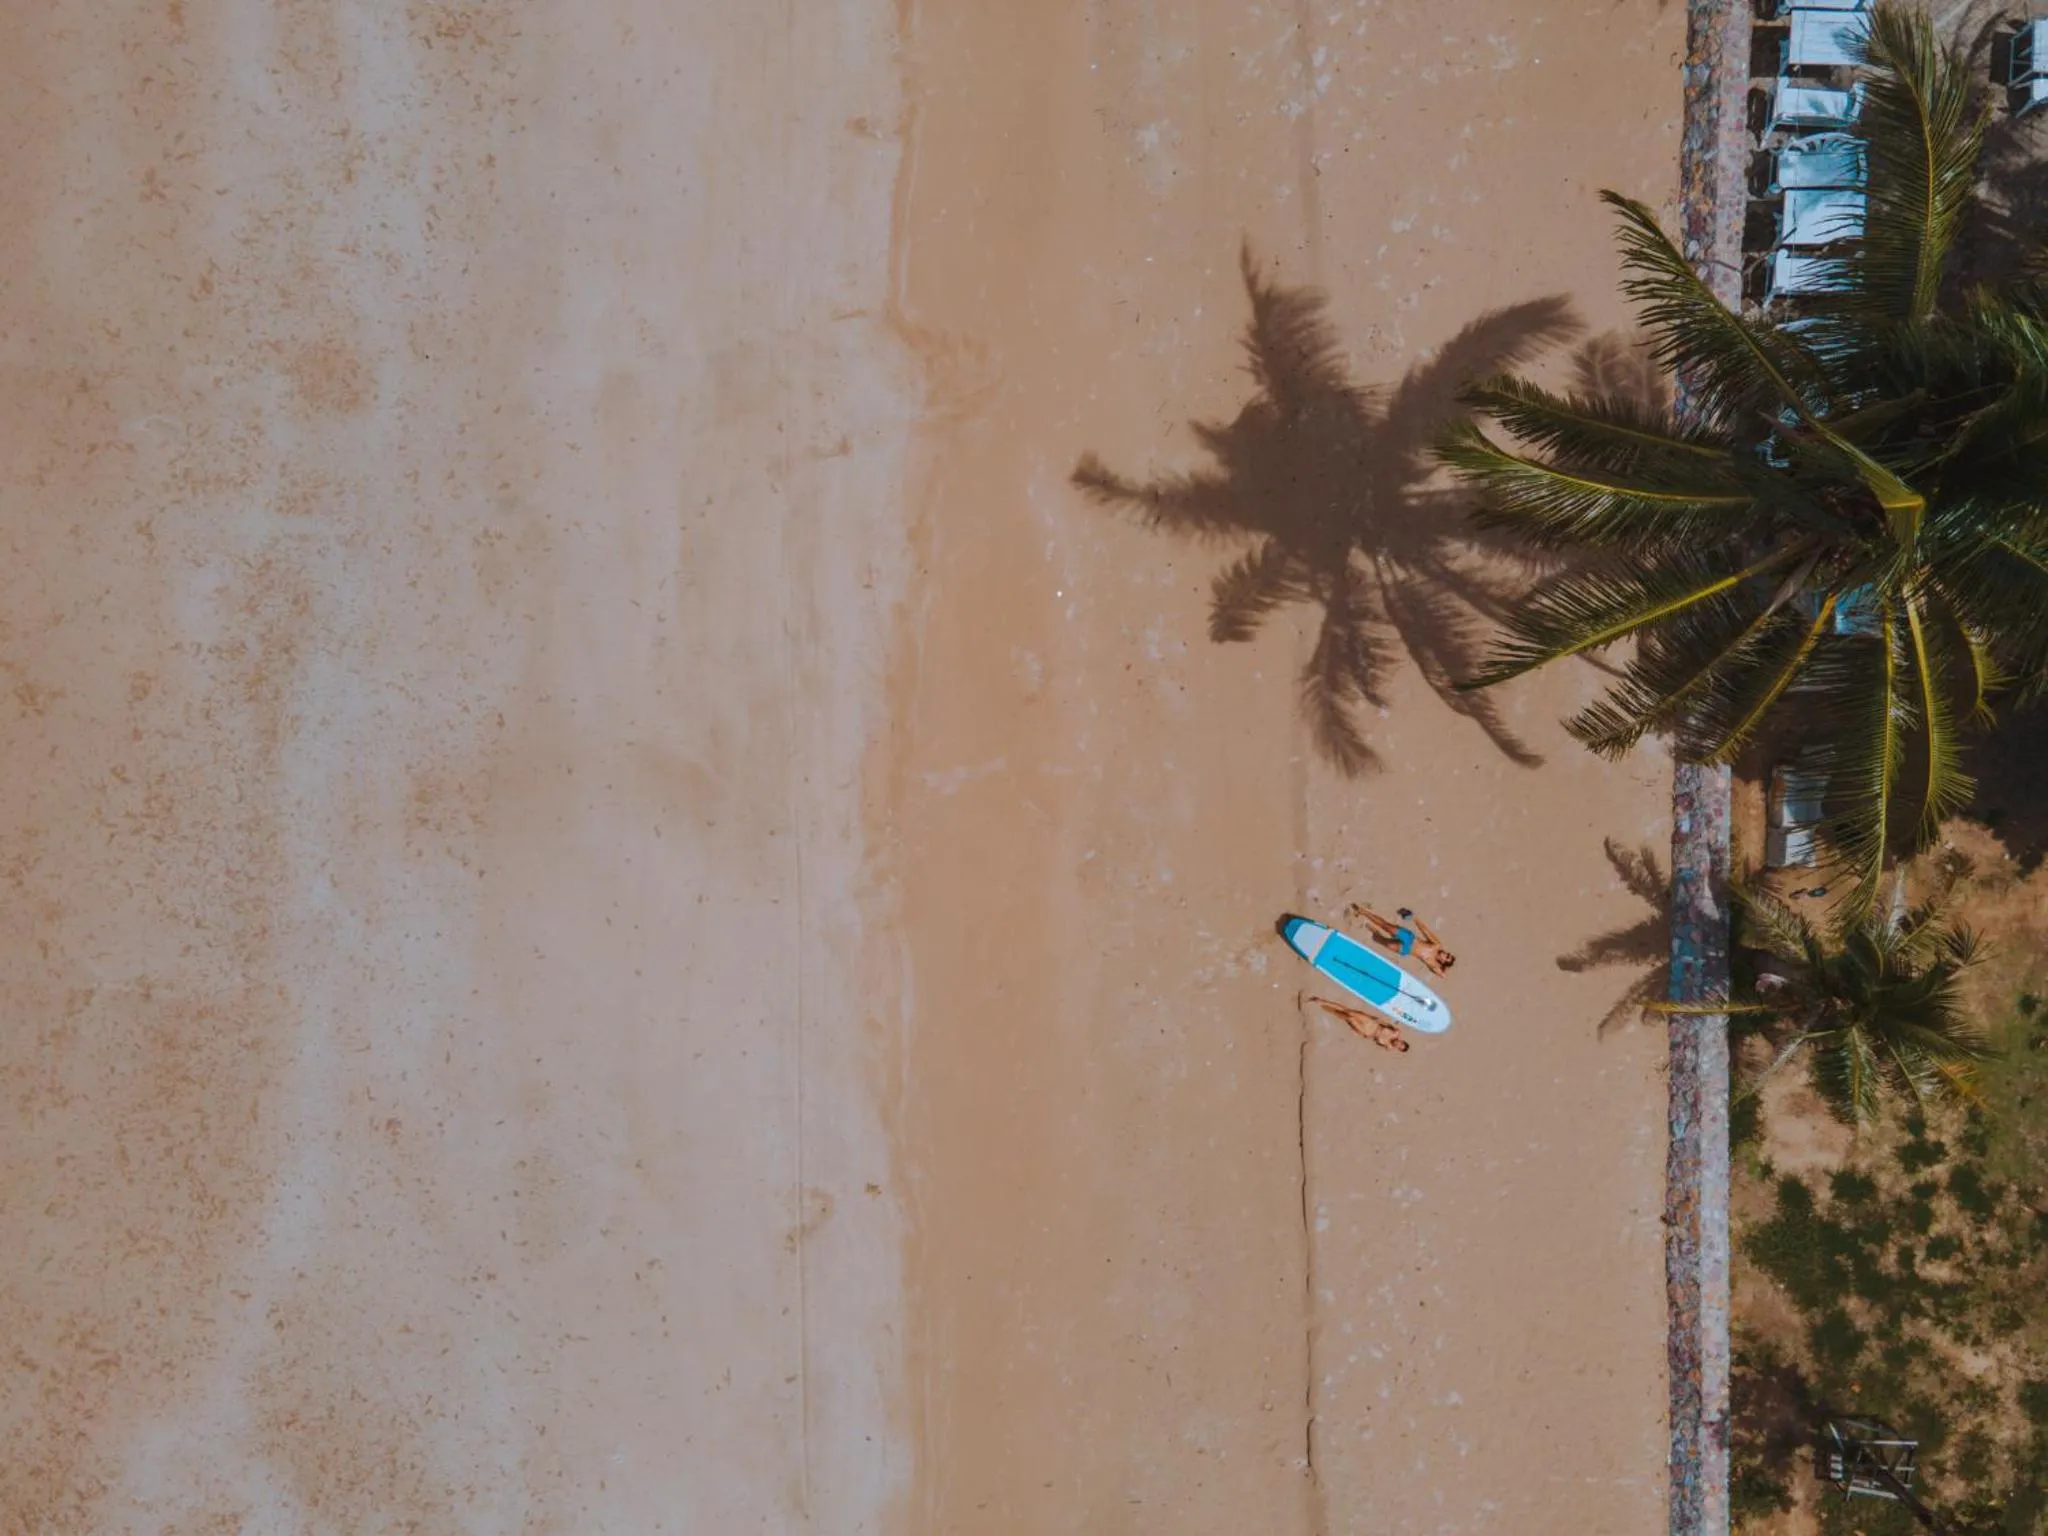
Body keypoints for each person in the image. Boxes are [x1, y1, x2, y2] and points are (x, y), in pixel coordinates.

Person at [1348, 903, 1456, 977]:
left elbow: (1443, 976)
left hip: (1407, 950)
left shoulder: (1433, 964)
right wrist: (1414, 918)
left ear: (1443, 962)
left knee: (1387, 944)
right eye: (1448, 954)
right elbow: (1425, 931)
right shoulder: (1437, 945)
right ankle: (1363, 911)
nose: (1446, 954)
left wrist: (1444, 968)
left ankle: (1375, 933)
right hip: (1410, 938)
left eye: (1447, 957)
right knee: (1386, 926)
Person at [1306, 993, 1409, 1052]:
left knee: (1348, 1018)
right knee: (1349, 1011)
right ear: (1402, 1041)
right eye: (1401, 1044)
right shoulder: (1396, 1032)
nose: (1398, 1045)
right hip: (1373, 1023)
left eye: (1399, 1047)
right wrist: (1373, 1018)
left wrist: (1361, 1033)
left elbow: (1375, 1041)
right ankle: (1321, 1001)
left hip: (1367, 1032)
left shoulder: (1388, 1047)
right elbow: (1385, 1023)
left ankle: (1328, 1008)